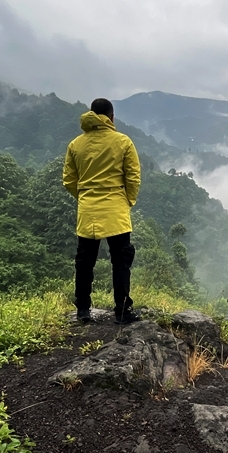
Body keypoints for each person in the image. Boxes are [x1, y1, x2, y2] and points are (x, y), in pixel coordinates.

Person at [63, 98, 142, 324]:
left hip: (87, 209)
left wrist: (84, 196)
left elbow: (69, 180)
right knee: (121, 260)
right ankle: (122, 311)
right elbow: (133, 177)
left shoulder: (75, 144)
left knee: (85, 261)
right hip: (116, 208)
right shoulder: (123, 142)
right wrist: (128, 200)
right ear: (111, 117)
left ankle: (83, 310)